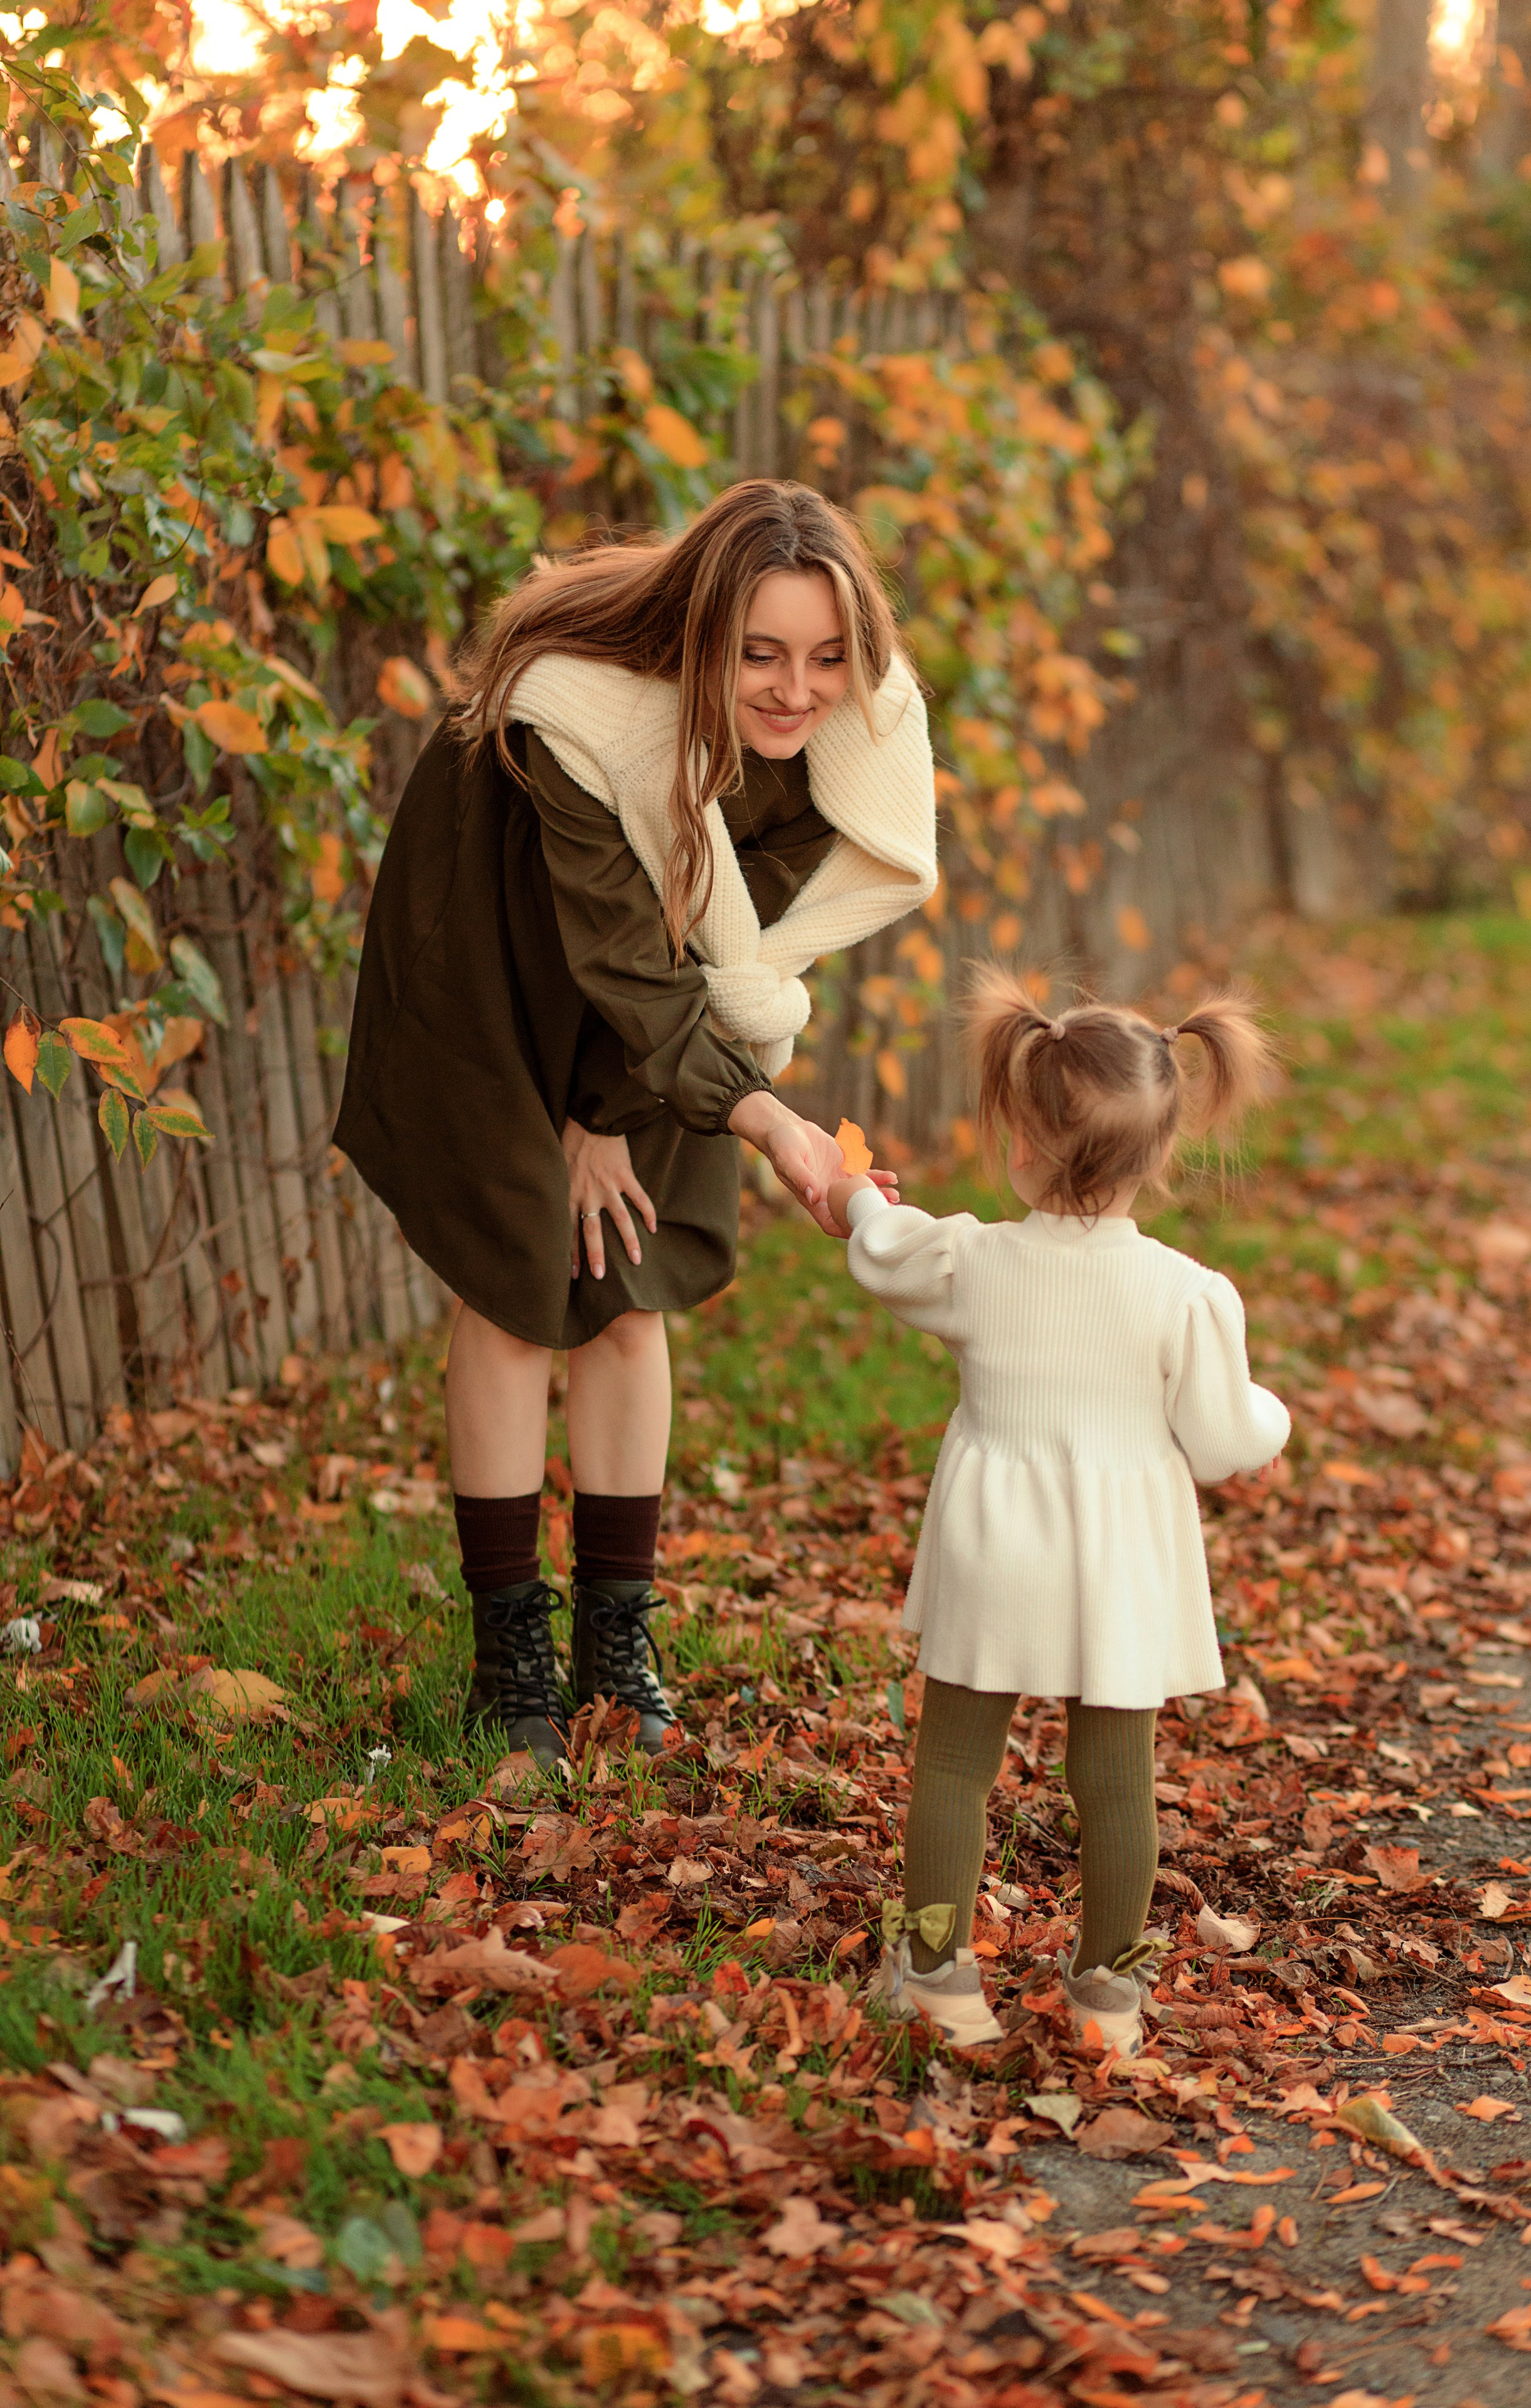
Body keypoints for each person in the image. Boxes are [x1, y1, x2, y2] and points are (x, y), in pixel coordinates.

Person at [334, 482, 935, 1767]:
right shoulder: (579, 713)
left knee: (625, 1276)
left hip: (666, 994)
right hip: (493, 939)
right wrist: (765, 1123)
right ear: (699, 638)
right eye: (759, 655)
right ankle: (512, 1665)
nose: (794, 689)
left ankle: (617, 1641)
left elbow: (715, 951)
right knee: (516, 1280)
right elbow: (612, 944)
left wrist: (610, 1108)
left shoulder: (846, 740)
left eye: (826, 657)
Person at [826, 971, 1290, 2052]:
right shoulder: (1188, 1293)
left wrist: (851, 1184)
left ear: (1021, 1145)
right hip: (1121, 1563)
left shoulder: (974, 1260)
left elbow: (882, 1248)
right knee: (1117, 1783)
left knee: (953, 1764)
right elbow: (1226, 1441)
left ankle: (939, 1974)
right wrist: (1270, 1418)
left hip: (998, 1543)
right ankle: (1108, 1996)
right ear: (1162, 1154)